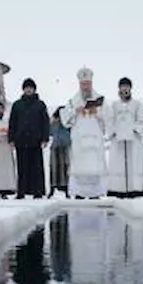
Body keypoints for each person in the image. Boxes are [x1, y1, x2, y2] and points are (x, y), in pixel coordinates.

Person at [63, 66, 108, 199]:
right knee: (80, 166)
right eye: (83, 84)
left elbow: (107, 117)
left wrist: (97, 112)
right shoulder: (73, 101)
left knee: (94, 165)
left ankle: (95, 193)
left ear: (91, 84)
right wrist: (75, 112)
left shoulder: (100, 99)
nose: (85, 87)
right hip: (80, 139)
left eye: (88, 84)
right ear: (79, 84)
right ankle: (80, 192)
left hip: (94, 138)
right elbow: (65, 120)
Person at [104, 77, 143, 198]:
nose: (125, 89)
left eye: (127, 86)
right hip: (118, 140)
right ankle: (117, 189)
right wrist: (113, 132)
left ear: (130, 88)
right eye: (122, 86)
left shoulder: (137, 104)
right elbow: (109, 121)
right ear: (119, 89)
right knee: (118, 164)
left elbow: (141, 120)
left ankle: (135, 188)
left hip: (133, 140)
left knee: (134, 163)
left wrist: (134, 130)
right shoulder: (114, 105)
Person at [7, 78, 50, 199]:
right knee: (22, 168)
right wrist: (11, 138)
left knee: (36, 168)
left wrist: (45, 138)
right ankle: (21, 192)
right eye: (26, 88)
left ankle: (38, 191)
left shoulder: (40, 104)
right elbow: (12, 122)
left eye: (30, 87)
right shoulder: (17, 105)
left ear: (34, 89)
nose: (28, 90)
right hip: (21, 140)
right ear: (23, 89)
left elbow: (45, 122)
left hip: (36, 140)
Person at [48, 105, 71, 197]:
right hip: (55, 147)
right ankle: (52, 189)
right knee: (54, 169)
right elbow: (50, 132)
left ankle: (66, 190)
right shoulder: (54, 122)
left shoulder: (68, 123)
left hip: (65, 147)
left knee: (65, 168)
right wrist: (52, 121)